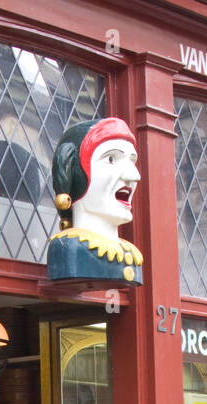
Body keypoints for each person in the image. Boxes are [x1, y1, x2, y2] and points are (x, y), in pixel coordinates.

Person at [46, 116, 144, 284]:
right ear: (75, 174)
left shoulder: (130, 254)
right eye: (111, 159)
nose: (134, 176)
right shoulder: (69, 248)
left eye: (132, 161)